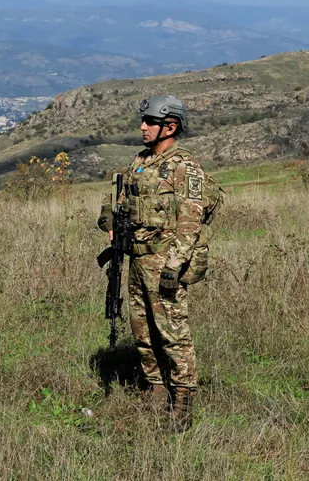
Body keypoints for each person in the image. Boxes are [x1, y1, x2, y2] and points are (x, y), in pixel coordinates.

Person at [97, 94, 206, 431]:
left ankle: (183, 403)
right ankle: (156, 389)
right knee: (142, 330)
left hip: (165, 261)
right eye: (143, 121)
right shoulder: (140, 161)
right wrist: (109, 218)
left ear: (169, 126)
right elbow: (121, 198)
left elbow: (191, 221)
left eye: (150, 122)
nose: (142, 127)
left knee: (173, 334)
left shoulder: (184, 166)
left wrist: (175, 266)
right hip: (138, 258)